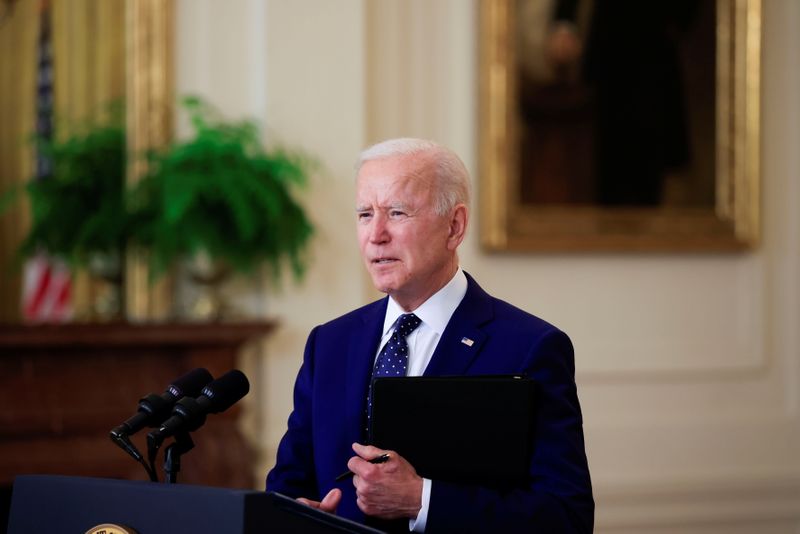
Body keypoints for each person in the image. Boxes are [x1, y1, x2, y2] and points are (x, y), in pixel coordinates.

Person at [266, 138, 594, 532]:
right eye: (365, 214)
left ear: (454, 227)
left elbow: (566, 517)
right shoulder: (330, 343)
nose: (376, 234)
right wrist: (297, 516)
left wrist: (422, 499)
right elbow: (287, 487)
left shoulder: (530, 348)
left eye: (397, 212)